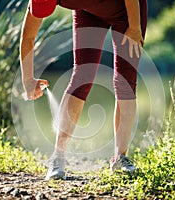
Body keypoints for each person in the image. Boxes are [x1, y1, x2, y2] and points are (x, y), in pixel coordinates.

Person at [20, 0, 147, 180]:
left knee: (125, 81)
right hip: (87, 11)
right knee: (82, 76)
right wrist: (27, 79)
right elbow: (28, 37)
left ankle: (120, 158)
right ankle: (58, 158)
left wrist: (134, 26)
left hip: (126, 11)